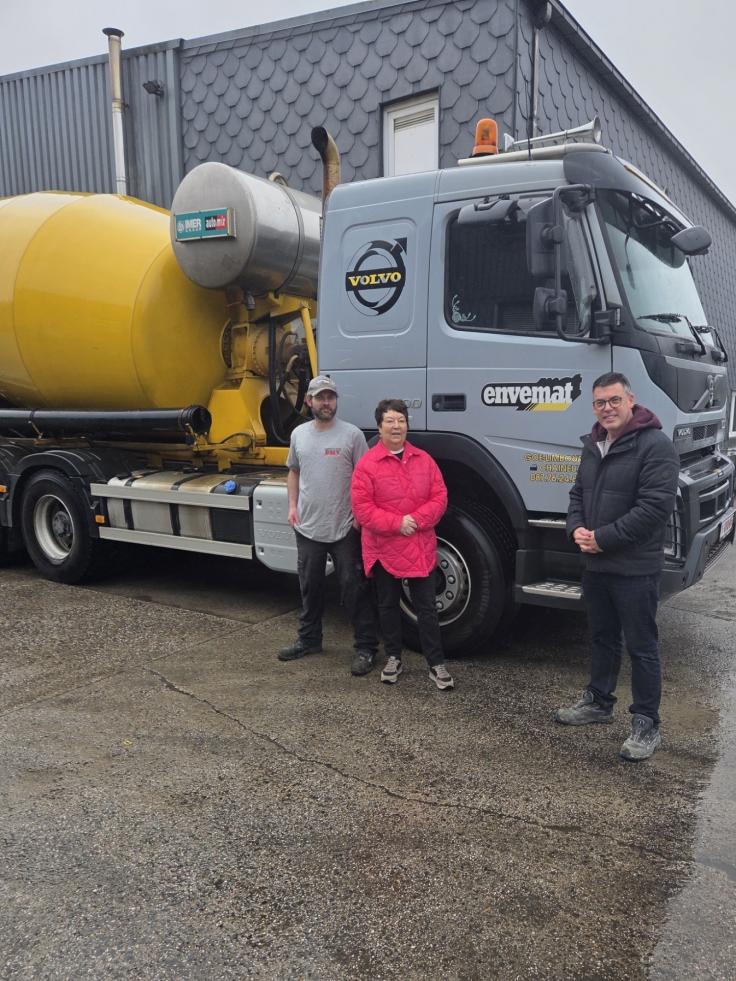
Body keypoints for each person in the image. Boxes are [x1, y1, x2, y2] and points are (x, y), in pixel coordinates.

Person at [555, 372, 679, 762]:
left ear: (630, 400)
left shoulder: (655, 446)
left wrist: (603, 538)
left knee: (642, 647)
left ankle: (646, 722)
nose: (606, 408)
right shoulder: (594, 444)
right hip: (596, 565)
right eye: (599, 403)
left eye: (613, 400)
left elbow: (654, 508)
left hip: (634, 568)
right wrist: (576, 528)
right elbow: (577, 494)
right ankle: (598, 701)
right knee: (603, 638)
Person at [278, 375, 379, 676]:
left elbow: (365, 479)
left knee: (353, 588)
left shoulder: (352, 435)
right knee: (310, 586)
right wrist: (293, 506)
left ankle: (366, 647)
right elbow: (293, 472)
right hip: (308, 526)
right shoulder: (299, 435)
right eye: (320, 397)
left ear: (336, 401)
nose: (326, 402)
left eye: (331, 397)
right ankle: (309, 640)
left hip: (345, 527)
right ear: (309, 401)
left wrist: (360, 518)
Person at [351, 398, 454, 690]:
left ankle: (436, 663)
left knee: (427, 608)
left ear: (407, 425)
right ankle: (393, 657)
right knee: (387, 605)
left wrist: (416, 520)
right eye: (390, 421)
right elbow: (362, 509)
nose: (396, 426)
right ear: (380, 427)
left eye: (401, 420)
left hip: (418, 544)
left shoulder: (424, 459)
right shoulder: (366, 465)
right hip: (384, 548)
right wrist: (397, 524)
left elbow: (440, 497)